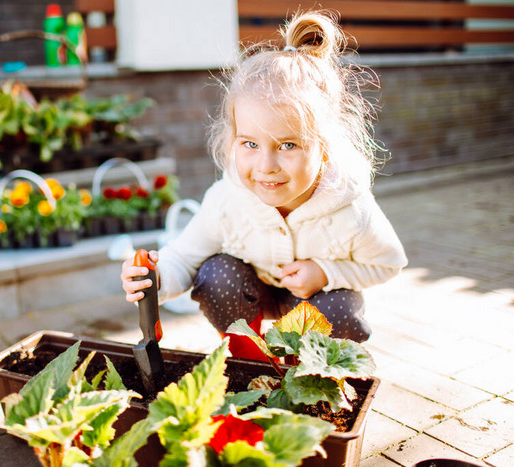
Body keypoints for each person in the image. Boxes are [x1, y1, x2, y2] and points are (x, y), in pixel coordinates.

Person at [121, 10, 408, 360]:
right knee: (215, 275)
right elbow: (184, 257)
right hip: (249, 296)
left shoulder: (350, 210)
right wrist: (156, 277)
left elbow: (389, 263)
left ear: (325, 147)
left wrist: (325, 273)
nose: (265, 166)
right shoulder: (228, 200)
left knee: (341, 309)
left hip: (313, 303)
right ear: (233, 140)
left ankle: (303, 369)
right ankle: (248, 356)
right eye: (250, 144)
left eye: (288, 145)